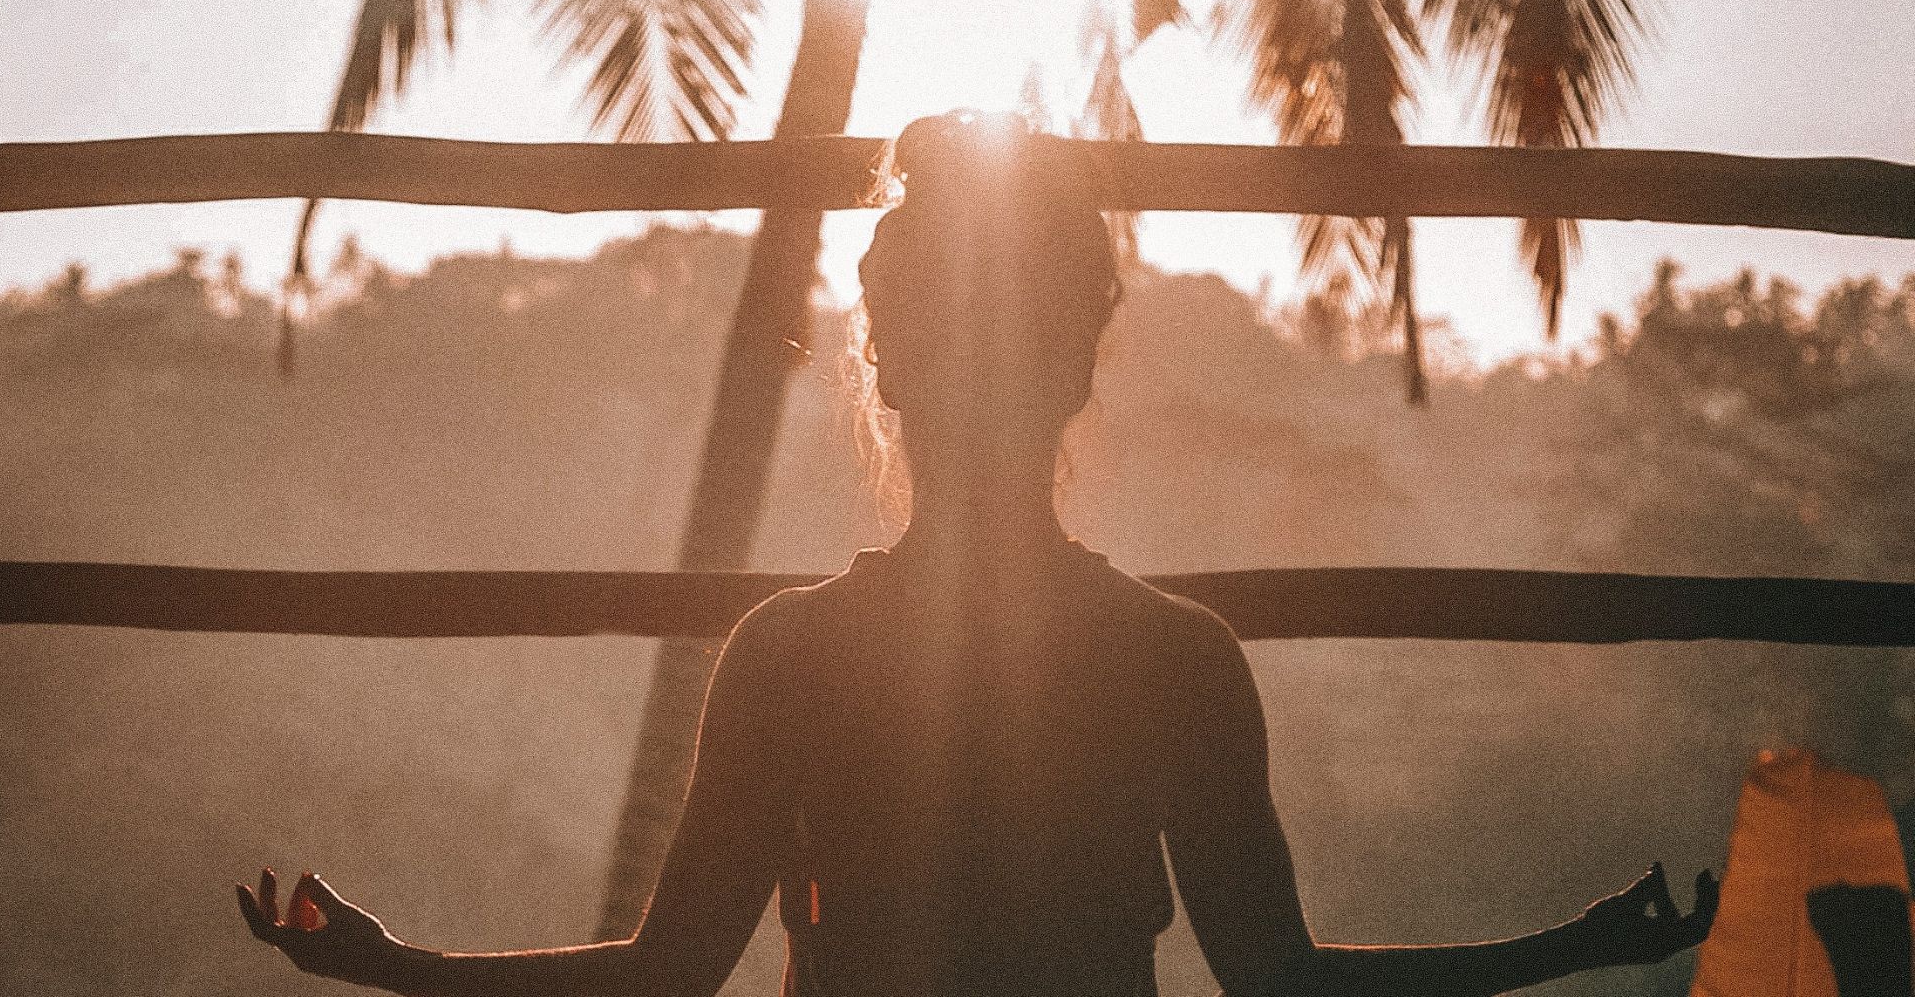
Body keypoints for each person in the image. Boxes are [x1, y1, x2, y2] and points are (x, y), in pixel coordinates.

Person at [237, 112, 1718, 997]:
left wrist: (396, 968)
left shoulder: (795, 655)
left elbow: (666, 976)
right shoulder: (1172, 659)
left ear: (884, 370)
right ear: (1079, 368)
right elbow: (1282, 982)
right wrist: (1576, 947)